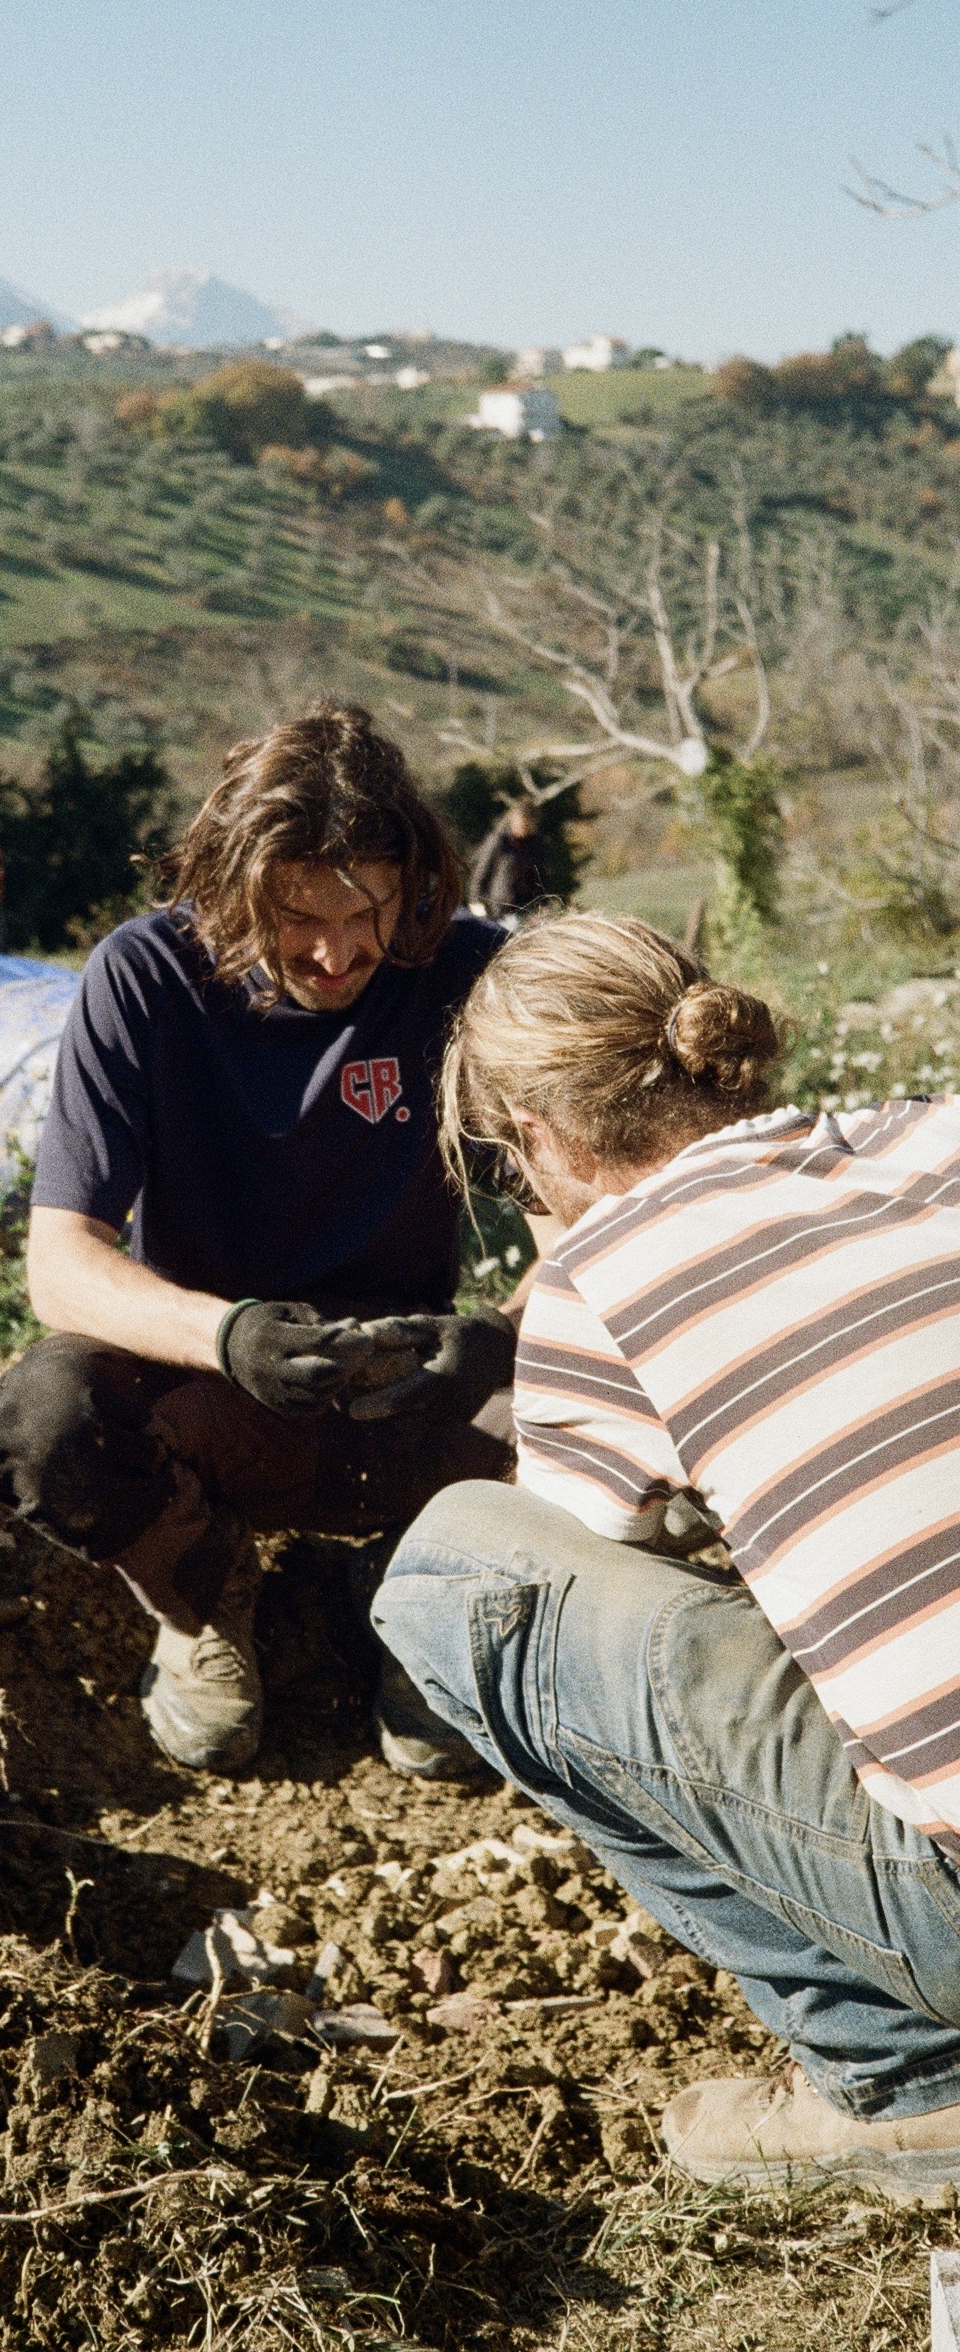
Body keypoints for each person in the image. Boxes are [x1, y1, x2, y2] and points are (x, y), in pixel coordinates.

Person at [374, 911, 960, 2201]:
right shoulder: (932, 1131)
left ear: (534, 1131)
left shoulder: (600, 1278)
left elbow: (585, 1559)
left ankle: (903, 2074)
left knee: (456, 1565)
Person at [0, 705, 520, 1775]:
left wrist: (501, 1336)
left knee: (608, 1382)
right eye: (296, 917)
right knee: (48, 1425)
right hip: (223, 1389)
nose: (335, 951)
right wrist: (231, 1337)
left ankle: (429, 1593)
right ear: (227, 887)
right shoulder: (145, 979)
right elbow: (60, 1263)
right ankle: (205, 1599)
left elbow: (593, 1213)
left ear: (410, 883)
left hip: (413, 1390)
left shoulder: (462, 975)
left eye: (367, 912)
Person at [468, 797, 550, 926]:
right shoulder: (499, 841)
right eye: (520, 824)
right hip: (499, 911)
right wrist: (475, 902)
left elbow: (541, 876)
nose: (523, 828)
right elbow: (481, 873)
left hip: (525, 909)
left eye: (527, 825)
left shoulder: (535, 844)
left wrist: (544, 904)